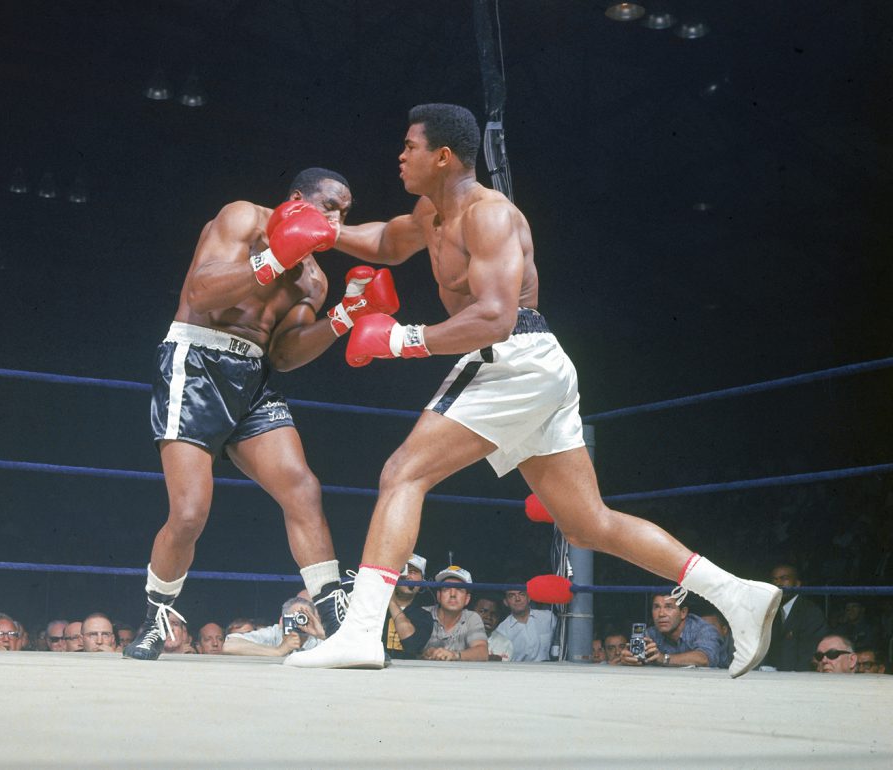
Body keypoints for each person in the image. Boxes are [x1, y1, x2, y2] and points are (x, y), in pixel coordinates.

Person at [286, 103, 782, 676]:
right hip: (534, 366)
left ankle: (361, 633)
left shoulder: (489, 215)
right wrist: (325, 231)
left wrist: (401, 341)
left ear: (443, 156)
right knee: (588, 523)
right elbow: (385, 243)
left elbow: (496, 315)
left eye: (410, 146)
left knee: (404, 472)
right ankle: (738, 595)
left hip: (510, 357)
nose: (400, 156)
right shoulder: (431, 213)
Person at [125, 168, 400, 661]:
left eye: (346, 212)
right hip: (197, 360)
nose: (338, 219)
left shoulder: (314, 277)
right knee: (189, 514)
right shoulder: (243, 219)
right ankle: (155, 617)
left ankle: (334, 615)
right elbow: (202, 293)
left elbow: (285, 356)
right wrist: (274, 259)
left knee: (302, 487)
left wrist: (346, 316)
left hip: (252, 378)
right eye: (331, 206)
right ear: (297, 199)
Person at [620, 593, 726, 669]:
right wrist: (630, 659)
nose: (661, 614)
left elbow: (704, 659)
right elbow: (639, 660)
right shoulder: (650, 634)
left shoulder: (704, 630)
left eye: (669, 607)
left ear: (683, 612)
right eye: (656, 607)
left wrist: (663, 658)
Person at [762, 562, 828, 672]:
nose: (778, 583)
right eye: (774, 580)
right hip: (773, 679)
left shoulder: (811, 612)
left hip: (800, 680)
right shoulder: (770, 612)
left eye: (784, 578)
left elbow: (810, 653)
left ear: (797, 584)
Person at [419, 566, 488, 662]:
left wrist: (454, 655)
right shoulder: (422, 613)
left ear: (467, 599)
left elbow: (482, 652)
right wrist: (424, 653)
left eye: (459, 589)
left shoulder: (472, 617)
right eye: (447, 588)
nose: (453, 594)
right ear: (439, 596)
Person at [221, 597, 325, 657]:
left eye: (304, 617)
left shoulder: (318, 639)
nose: (300, 622)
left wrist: (323, 635)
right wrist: (278, 650)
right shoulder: (274, 633)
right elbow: (229, 645)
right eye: (296, 616)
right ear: (282, 621)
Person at [383, 553, 434, 660]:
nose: (407, 576)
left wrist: (391, 601)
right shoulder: (376, 608)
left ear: (422, 582)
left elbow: (412, 645)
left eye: (413, 572)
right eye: (402, 570)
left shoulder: (425, 616)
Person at [496, 585, 556, 662]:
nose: (517, 599)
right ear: (506, 602)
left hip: (551, 671)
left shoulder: (548, 617)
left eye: (522, 594)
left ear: (529, 598)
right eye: (512, 596)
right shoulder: (502, 630)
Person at [472, 594, 514, 662]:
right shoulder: (459, 637)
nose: (488, 617)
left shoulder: (505, 644)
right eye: (482, 611)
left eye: (494, 614)